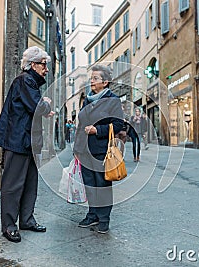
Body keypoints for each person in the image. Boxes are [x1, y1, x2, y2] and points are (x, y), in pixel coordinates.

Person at [0, 46, 55, 243]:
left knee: (29, 183)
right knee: (13, 185)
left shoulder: (29, 82)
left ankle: (26, 220)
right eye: (44, 65)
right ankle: (9, 225)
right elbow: (37, 107)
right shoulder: (25, 80)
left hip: (26, 140)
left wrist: (43, 105)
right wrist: (45, 104)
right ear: (33, 65)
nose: (46, 69)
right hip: (18, 140)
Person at [73, 64, 123, 234]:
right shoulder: (87, 99)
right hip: (85, 150)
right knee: (90, 184)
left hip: (102, 150)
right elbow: (81, 125)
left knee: (102, 185)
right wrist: (77, 149)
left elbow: (118, 124)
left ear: (105, 82)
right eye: (91, 78)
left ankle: (104, 218)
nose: (92, 82)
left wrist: (97, 130)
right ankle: (92, 214)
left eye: (95, 79)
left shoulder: (113, 100)